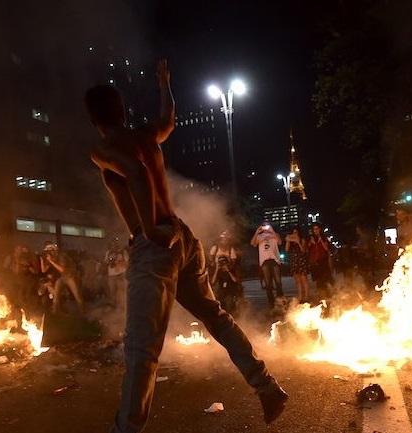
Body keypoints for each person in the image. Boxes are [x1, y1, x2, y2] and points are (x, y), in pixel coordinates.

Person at [86, 59, 287, 433]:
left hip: (155, 245)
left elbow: (136, 171)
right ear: (122, 110)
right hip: (182, 236)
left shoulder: (104, 146)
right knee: (214, 316)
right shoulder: (146, 135)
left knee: (141, 351)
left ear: (93, 118)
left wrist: (148, 229)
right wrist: (164, 84)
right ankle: (267, 386)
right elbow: (169, 121)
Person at [39, 242, 84, 314]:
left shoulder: (61, 256)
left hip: (70, 276)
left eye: (49, 252)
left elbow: (62, 269)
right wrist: (42, 260)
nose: (48, 254)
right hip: (63, 277)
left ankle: (83, 312)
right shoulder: (53, 258)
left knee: (77, 295)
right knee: (56, 294)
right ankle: (55, 311)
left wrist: (51, 261)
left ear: (53, 251)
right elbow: (44, 270)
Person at [209, 231, 243, 315]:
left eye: (226, 239)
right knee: (216, 295)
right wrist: (217, 267)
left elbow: (235, 279)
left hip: (229, 278)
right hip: (217, 274)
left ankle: (232, 312)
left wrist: (228, 269)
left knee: (229, 300)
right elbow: (212, 282)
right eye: (222, 239)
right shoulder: (215, 248)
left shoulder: (231, 249)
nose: (224, 241)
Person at [250, 222, 284, 307]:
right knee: (268, 284)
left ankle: (280, 301)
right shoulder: (259, 236)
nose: (265, 228)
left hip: (274, 260)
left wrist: (272, 231)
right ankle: (271, 303)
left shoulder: (275, 234)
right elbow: (252, 243)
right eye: (263, 226)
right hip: (264, 261)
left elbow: (279, 242)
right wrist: (257, 232)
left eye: (267, 226)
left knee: (278, 282)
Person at [308, 224, 333, 301]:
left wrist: (320, 240)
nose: (316, 231)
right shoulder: (310, 238)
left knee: (325, 279)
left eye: (317, 229)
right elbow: (307, 249)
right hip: (315, 263)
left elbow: (326, 249)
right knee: (318, 281)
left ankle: (328, 296)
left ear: (320, 229)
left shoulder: (324, 237)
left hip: (323, 261)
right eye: (314, 229)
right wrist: (311, 243)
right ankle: (321, 297)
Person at [285, 227, 309, 303]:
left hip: (301, 261)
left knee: (304, 279)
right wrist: (288, 241)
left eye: (296, 232)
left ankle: (306, 296)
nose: (295, 234)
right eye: (293, 232)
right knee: (297, 281)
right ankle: (300, 296)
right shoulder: (291, 242)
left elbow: (303, 250)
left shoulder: (302, 240)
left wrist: (298, 242)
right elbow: (286, 250)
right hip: (294, 261)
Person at [105, 239, 129, 311]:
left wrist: (119, 263)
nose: (113, 246)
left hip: (121, 274)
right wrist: (111, 261)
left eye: (115, 244)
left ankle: (122, 307)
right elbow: (106, 262)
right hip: (112, 275)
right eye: (112, 245)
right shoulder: (108, 252)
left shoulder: (122, 252)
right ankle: (114, 307)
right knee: (112, 291)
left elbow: (127, 262)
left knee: (121, 291)